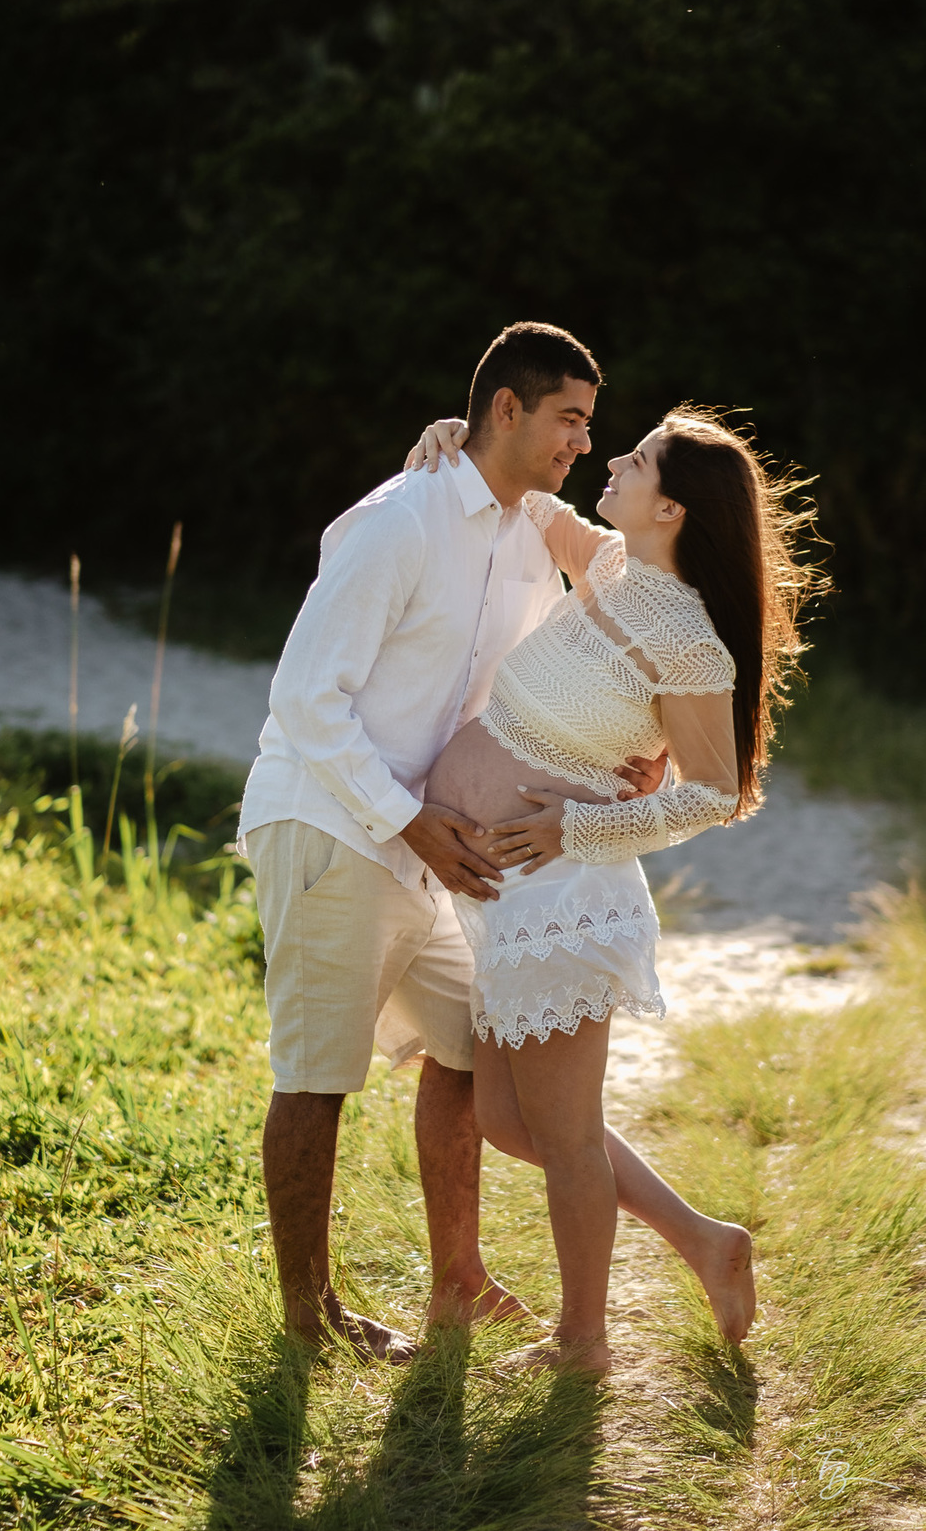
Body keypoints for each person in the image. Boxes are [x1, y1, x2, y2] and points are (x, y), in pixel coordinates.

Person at [239, 320, 756, 1362]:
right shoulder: (447, 526)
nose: (593, 447)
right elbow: (306, 695)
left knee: (498, 1084)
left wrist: (612, 790)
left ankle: (510, 1302)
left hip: (492, 869)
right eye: (573, 420)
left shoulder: (592, 564)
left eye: (612, 439)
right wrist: (456, 434)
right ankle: (313, 1321)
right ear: (508, 410)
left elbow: (697, 757)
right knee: (352, 1080)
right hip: (359, 829)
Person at [414, 402, 817, 1374]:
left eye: (635, 461)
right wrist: (453, 439)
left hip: (564, 897)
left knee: (564, 1139)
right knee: (511, 1121)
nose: (613, 462)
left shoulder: (691, 641)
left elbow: (715, 792)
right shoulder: (609, 563)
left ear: (670, 508)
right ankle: (705, 1240)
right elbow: (531, 498)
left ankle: (583, 1343)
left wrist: (578, 827)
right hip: (508, 899)